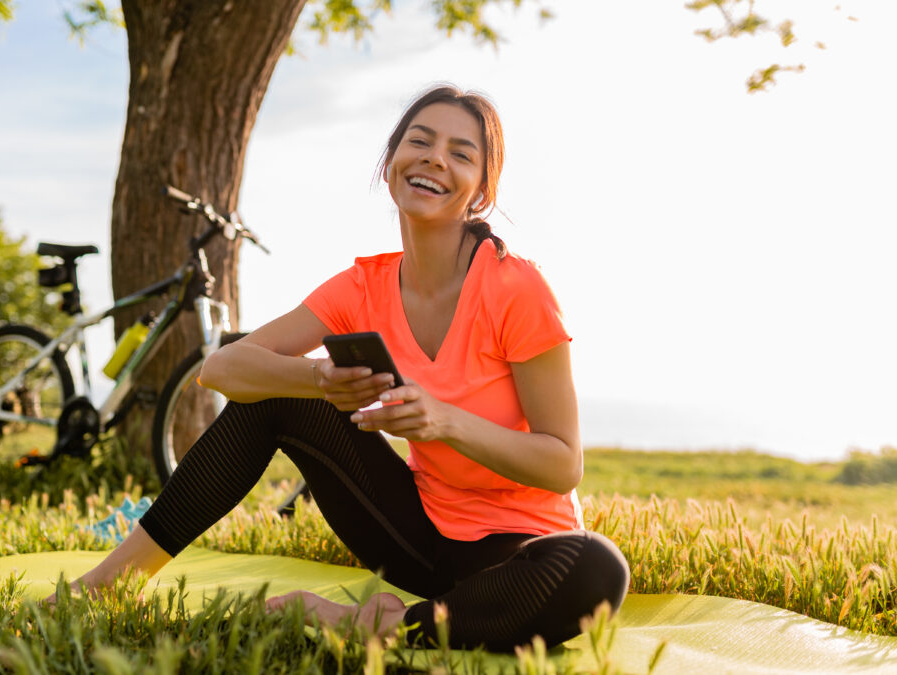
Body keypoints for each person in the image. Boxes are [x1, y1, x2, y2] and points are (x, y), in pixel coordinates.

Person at [59, 85, 630, 653]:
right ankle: (110, 582)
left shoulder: (515, 287)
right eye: (420, 141)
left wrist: (443, 421)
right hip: (419, 539)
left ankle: (381, 625)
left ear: (481, 190)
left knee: (599, 568)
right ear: (390, 163)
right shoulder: (362, 287)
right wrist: (318, 380)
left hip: (521, 557)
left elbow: (563, 464)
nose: (435, 158)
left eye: (461, 153)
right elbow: (222, 368)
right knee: (278, 391)